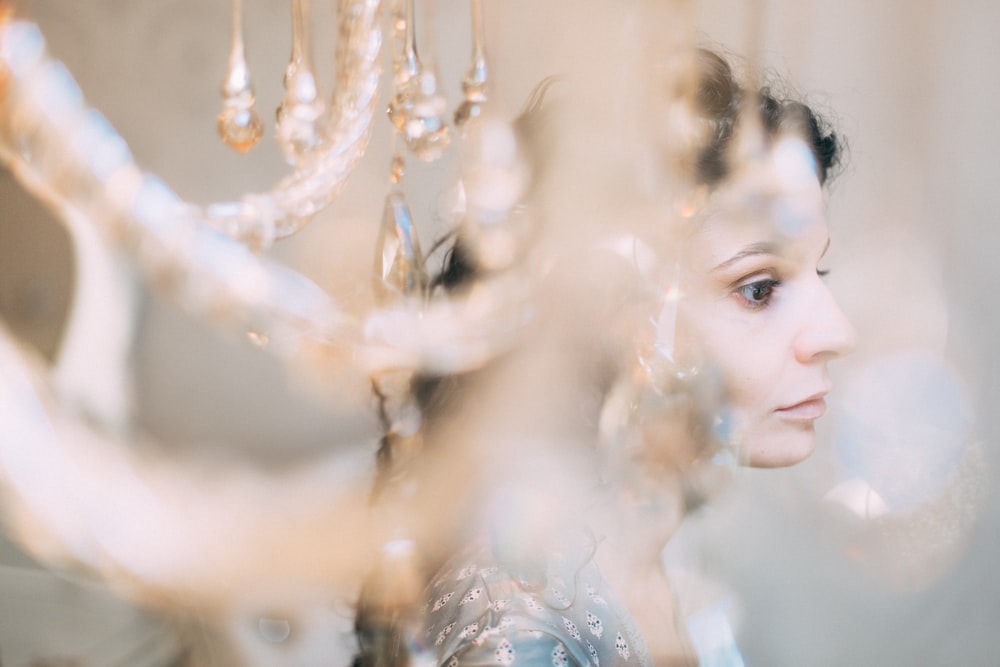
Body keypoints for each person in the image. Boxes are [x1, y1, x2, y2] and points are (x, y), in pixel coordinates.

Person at [354, 46, 855, 667]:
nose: (836, 330)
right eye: (759, 288)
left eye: (820, 269)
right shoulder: (515, 631)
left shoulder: (660, 548)